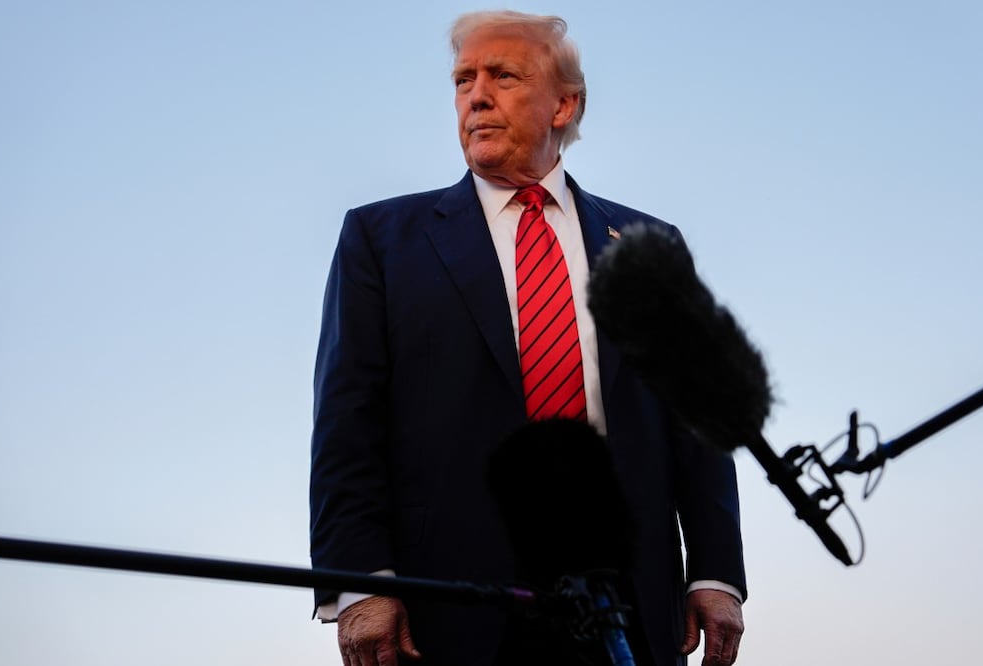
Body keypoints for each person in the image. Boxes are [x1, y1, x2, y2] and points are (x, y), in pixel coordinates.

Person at [310, 10, 746, 666]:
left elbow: (695, 423)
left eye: (504, 76)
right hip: (447, 607)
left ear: (563, 105)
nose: (476, 96)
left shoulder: (649, 246)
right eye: (463, 80)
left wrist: (714, 572)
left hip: (629, 599)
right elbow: (347, 422)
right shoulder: (380, 239)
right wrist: (359, 581)